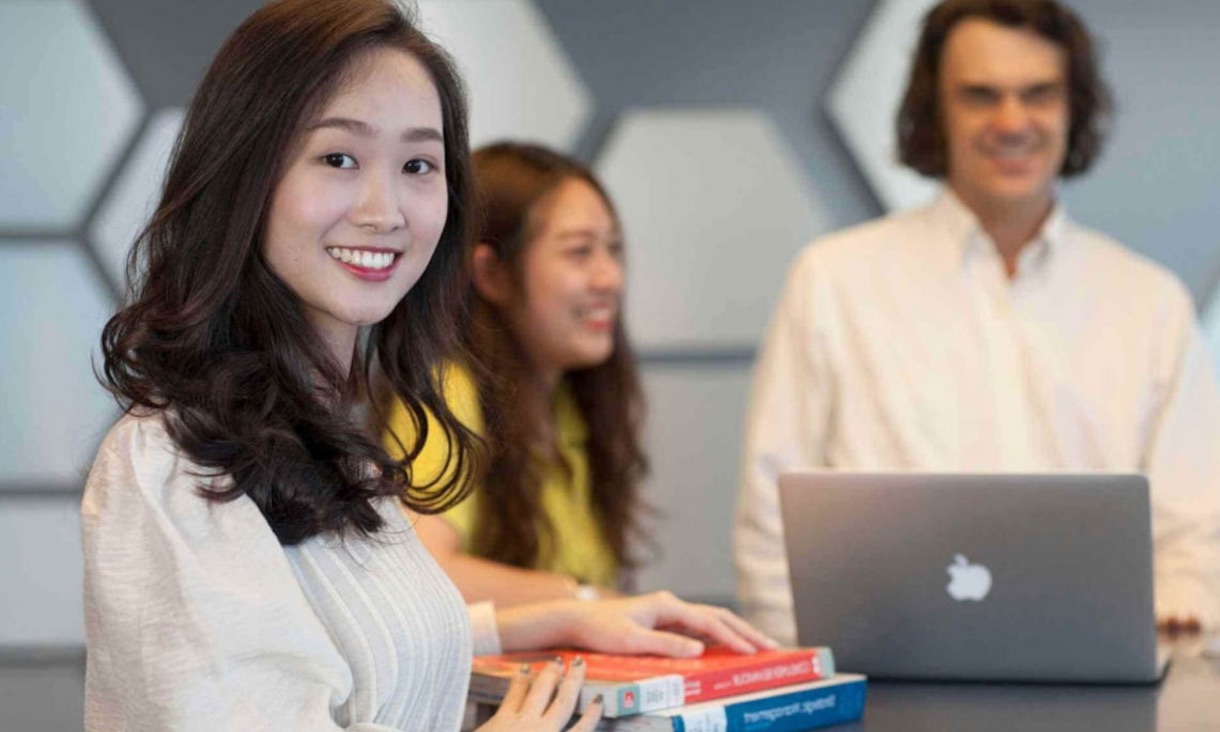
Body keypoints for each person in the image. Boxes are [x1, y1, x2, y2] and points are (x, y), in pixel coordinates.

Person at [82, 1, 773, 730]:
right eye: (339, 158)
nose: (386, 210)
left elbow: (353, 649)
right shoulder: (171, 463)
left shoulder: (330, 430)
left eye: (418, 165)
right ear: (244, 176)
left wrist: (559, 620)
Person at [735, 0, 1220, 647]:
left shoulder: (1149, 302)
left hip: (1099, 691)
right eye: (980, 96)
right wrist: (808, 690)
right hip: (880, 683)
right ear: (935, 111)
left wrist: (1175, 640)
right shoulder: (832, 281)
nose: (1011, 121)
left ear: (1072, 107)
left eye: (1038, 94)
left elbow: (1196, 528)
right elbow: (772, 521)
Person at [383, 142, 645, 606]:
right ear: (491, 273)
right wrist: (584, 600)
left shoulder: (571, 400)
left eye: (613, 250)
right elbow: (422, 573)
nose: (609, 278)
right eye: (579, 252)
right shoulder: (448, 394)